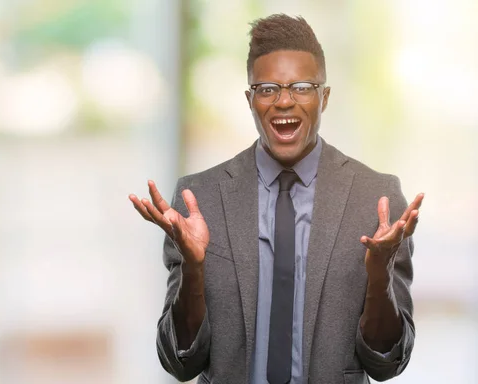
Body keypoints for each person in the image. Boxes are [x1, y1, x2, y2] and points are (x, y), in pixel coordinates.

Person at [129, 14, 423, 384]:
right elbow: (179, 362)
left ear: (324, 97)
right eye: (267, 88)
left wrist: (379, 275)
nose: (284, 101)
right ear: (250, 99)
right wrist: (194, 269)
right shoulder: (199, 198)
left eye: (301, 87)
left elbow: (388, 364)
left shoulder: (376, 199)